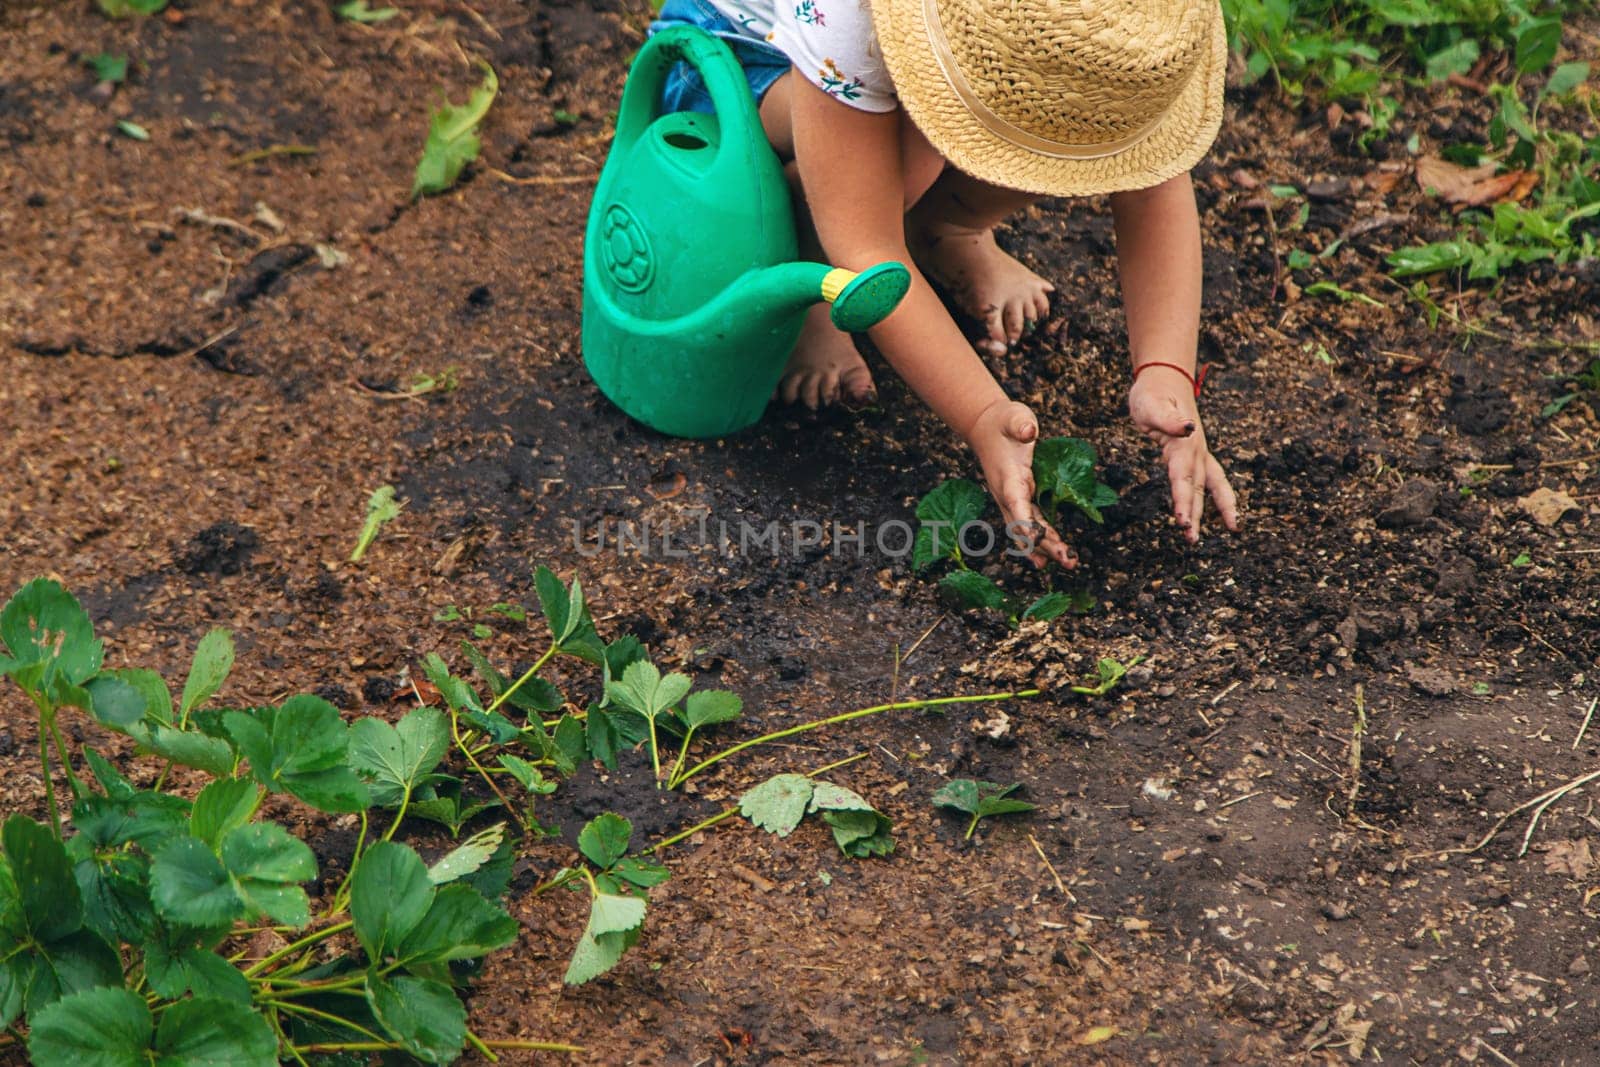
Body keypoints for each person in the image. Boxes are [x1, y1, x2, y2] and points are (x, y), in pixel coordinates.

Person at [651, 0, 1241, 567]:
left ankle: (948, 228)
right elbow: (869, 248)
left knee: (1067, 138)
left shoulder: (1130, 40)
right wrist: (984, 417)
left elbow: (1154, 181)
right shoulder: (849, 16)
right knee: (909, 156)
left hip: (885, 70)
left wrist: (1166, 374)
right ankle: (807, 279)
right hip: (737, 62)